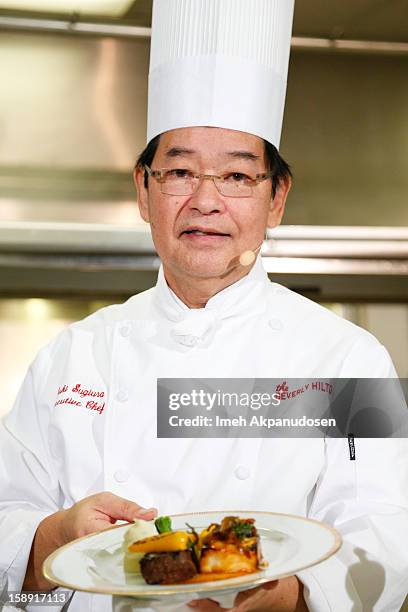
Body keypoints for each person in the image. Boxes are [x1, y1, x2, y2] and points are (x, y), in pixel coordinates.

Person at [1, 1, 408, 611]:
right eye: (179, 172)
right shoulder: (73, 353)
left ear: (277, 199)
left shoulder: (349, 357)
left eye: (239, 177)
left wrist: (299, 597)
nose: (206, 201)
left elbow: (386, 530)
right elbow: (10, 505)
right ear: (143, 191)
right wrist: (48, 540)